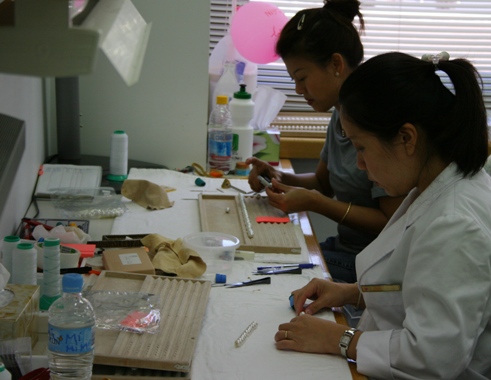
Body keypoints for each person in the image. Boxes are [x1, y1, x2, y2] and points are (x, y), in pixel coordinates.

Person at [275, 51, 491, 379]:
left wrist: (340, 338)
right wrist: (351, 292)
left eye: (361, 148)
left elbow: (432, 357)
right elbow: (419, 285)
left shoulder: (456, 223)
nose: (359, 165)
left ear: (406, 138)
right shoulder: (437, 185)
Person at [246, 0, 404, 284]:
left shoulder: (377, 120)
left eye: (302, 77)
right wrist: (279, 177)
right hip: (347, 251)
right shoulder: (340, 114)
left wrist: (316, 204)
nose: (298, 90)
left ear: (336, 64)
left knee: (275, 272)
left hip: (377, 264)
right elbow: (323, 184)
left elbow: (389, 222)